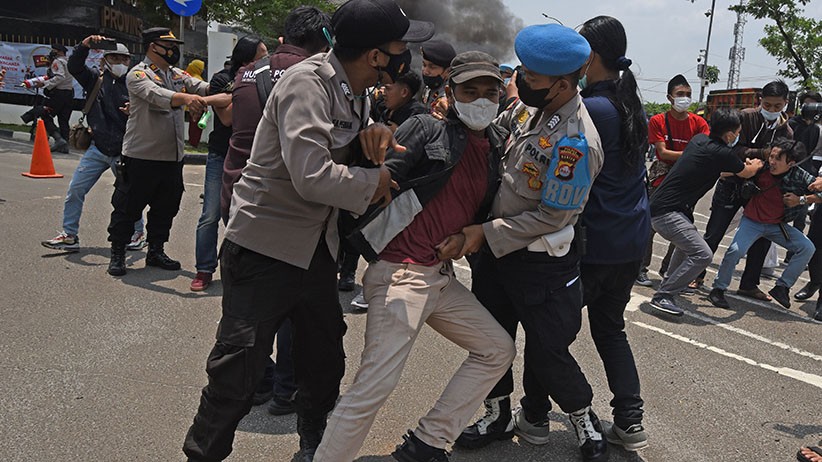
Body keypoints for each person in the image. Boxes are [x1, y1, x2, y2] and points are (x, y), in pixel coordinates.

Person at [181, 0, 434, 460]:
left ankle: (313, 452)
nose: (406, 56)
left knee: (322, 365)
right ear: (376, 55)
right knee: (237, 374)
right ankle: (203, 454)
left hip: (316, 250)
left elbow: (336, 147)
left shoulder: (356, 90)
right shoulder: (306, 83)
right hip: (265, 249)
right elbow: (312, 175)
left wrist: (368, 138)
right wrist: (374, 180)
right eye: (400, 47)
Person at [314, 50, 515, 462]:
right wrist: (371, 137)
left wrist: (468, 235)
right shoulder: (427, 127)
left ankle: (427, 443)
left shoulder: (494, 143)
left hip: (440, 278)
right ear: (450, 91)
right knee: (373, 387)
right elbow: (379, 171)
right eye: (469, 90)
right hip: (401, 274)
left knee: (497, 349)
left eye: (490, 92)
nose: (481, 99)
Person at [454, 24, 608, 462]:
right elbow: (493, 136)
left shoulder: (576, 141)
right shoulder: (527, 110)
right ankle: (497, 414)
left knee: (548, 352)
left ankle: (583, 419)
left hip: (540, 264)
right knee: (491, 340)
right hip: (495, 259)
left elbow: (551, 215)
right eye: (522, 72)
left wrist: (484, 233)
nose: (521, 81)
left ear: (562, 84)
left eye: (532, 78)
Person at [222, 5, 332, 416]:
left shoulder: (248, 73)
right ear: (324, 37)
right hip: (289, 209)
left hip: (239, 196)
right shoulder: (315, 80)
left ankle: (256, 385)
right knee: (294, 316)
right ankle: (285, 390)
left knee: (246, 317)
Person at [576, 15, 650, 451]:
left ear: (590, 56)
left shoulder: (592, 109)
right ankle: (630, 420)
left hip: (595, 242)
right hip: (630, 241)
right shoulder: (631, 106)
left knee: (553, 333)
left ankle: (533, 415)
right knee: (610, 329)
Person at [105, 27, 218, 277]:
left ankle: (156, 250)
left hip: (172, 157)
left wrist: (226, 87)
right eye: (167, 46)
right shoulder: (138, 74)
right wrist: (187, 99)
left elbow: (200, 86)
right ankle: (118, 253)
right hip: (141, 155)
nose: (172, 51)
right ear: (152, 47)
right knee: (127, 207)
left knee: (166, 207)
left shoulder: (177, 74)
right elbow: (158, 96)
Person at [647, 108, 763, 316]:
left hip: (665, 207)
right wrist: (756, 164)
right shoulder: (723, 152)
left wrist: (740, 167)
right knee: (703, 254)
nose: (737, 136)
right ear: (729, 134)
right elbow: (746, 172)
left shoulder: (699, 140)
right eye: (737, 133)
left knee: (686, 244)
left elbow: (719, 169)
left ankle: (670, 282)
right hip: (666, 212)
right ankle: (664, 295)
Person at [41, 37, 146, 253]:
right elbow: (74, 66)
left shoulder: (136, 82)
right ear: (105, 60)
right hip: (97, 148)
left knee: (129, 195)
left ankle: (138, 233)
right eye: (114, 58)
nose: (119, 62)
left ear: (129, 61)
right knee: (76, 189)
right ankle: (69, 235)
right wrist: (85, 45)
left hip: (125, 151)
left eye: (123, 58)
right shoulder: (94, 79)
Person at [701, 80, 793, 301]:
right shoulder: (744, 117)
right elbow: (733, 148)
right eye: (768, 105)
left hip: (761, 190)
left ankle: (749, 284)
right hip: (733, 182)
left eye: (777, 106)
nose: (771, 110)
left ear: (786, 104)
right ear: (760, 100)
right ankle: (697, 274)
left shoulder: (786, 130)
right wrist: (764, 153)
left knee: (762, 238)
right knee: (715, 231)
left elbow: (782, 161)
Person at [190, 36, 268, 292]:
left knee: (246, 215)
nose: (267, 60)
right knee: (210, 214)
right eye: (262, 55)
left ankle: (243, 269)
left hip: (253, 156)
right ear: (248, 57)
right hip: (221, 154)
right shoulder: (222, 79)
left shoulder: (265, 80)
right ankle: (204, 269)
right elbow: (228, 119)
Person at [709, 139, 818, 309]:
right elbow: (727, 172)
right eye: (771, 156)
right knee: (735, 251)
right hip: (752, 221)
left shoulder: (800, 175)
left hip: (776, 226)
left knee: (807, 248)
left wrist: (801, 200)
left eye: (777, 159)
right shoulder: (760, 167)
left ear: (791, 163)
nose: (772, 162)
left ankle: (782, 287)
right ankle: (718, 289)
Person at [636, 74, 709, 287]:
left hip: (687, 184)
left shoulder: (699, 123)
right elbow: (662, 153)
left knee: (684, 229)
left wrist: (683, 155)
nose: (684, 99)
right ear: (670, 97)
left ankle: (669, 270)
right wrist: (691, 154)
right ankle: (640, 269)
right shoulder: (658, 121)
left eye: (688, 94)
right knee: (648, 227)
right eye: (680, 95)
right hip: (660, 181)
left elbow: (700, 151)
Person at [20, 43, 74, 153]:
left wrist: (45, 83)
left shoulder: (58, 61)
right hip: (69, 94)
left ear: (59, 52)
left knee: (45, 114)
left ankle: (59, 139)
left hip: (58, 94)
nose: (52, 52)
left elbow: (60, 77)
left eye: (54, 50)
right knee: (64, 120)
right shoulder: (68, 61)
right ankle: (64, 146)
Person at [420, 40, 456, 118]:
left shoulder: (448, 96)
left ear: (447, 71)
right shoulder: (430, 87)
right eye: (424, 65)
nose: (425, 71)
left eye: (432, 67)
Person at [186, 59, 206, 148]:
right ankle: (193, 142)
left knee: (194, 126)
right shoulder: (194, 78)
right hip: (195, 107)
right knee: (195, 127)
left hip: (196, 107)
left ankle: (193, 143)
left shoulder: (195, 79)